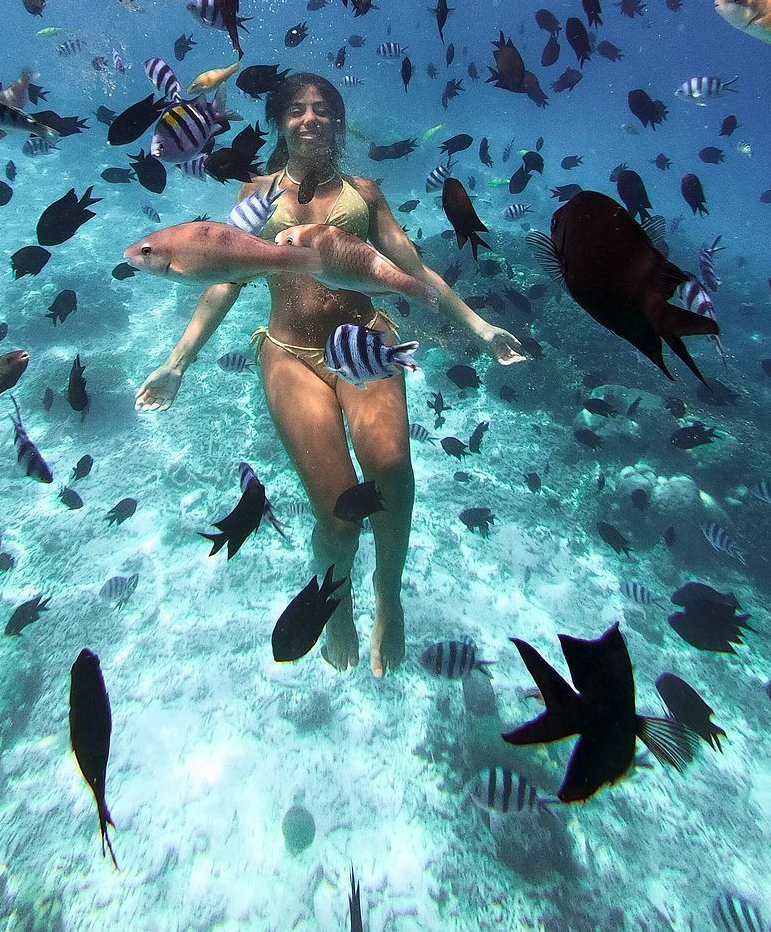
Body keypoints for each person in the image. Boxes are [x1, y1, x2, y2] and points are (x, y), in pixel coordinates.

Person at [135, 73, 526, 676]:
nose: (310, 118)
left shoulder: (364, 193)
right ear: (279, 124)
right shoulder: (254, 195)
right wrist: (175, 363)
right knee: (339, 511)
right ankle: (333, 603)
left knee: (392, 468)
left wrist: (479, 327)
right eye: (296, 110)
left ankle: (387, 597)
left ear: (338, 122)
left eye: (322, 109)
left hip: (366, 342)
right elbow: (223, 279)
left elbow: (412, 268)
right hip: (290, 353)